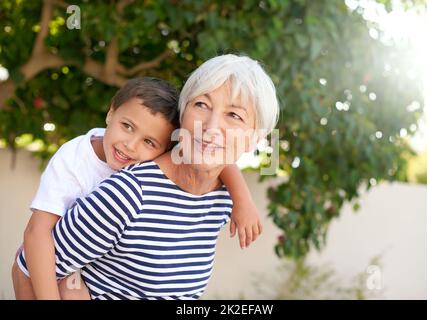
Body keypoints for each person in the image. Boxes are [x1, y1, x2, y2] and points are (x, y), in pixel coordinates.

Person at [12, 75, 263, 300]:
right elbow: (36, 236)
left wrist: (243, 201)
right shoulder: (76, 160)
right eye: (127, 126)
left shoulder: (174, 167)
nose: (130, 146)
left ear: (167, 147)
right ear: (111, 114)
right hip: (51, 265)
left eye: (149, 142)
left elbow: (214, 159)